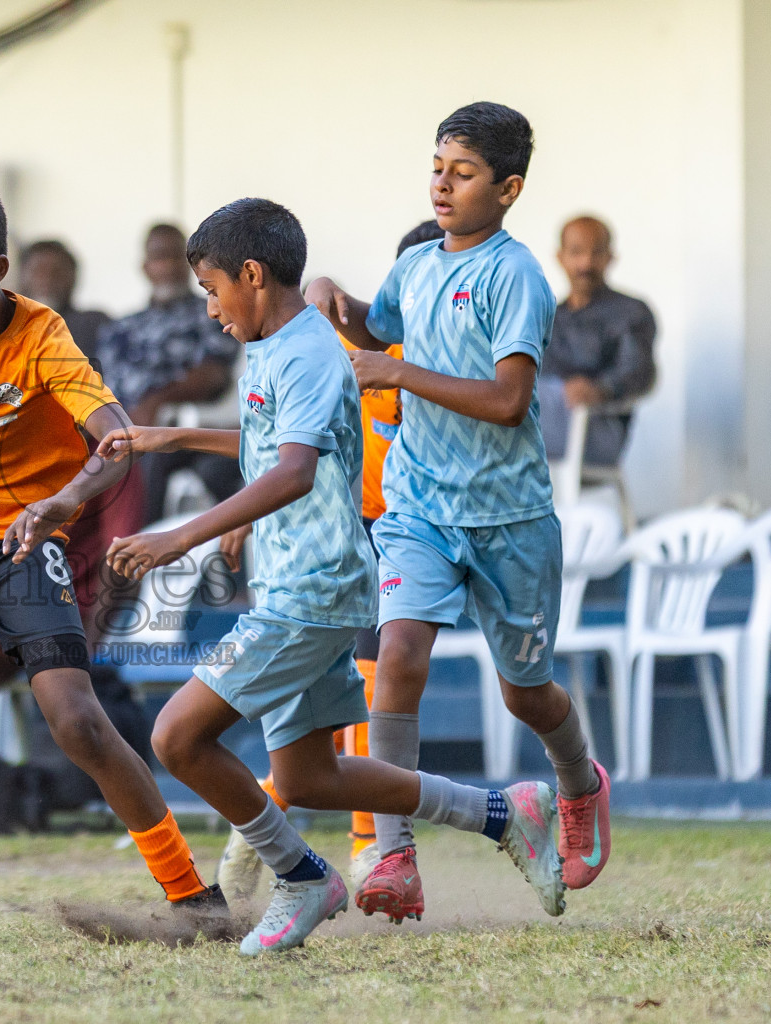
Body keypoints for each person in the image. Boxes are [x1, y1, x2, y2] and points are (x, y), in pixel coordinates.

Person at [100, 198, 566, 954]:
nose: (212, 310)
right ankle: (505, 813)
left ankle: (301, 875)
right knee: (312, 776)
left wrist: (179, 536)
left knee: (178, 737)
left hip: (310, 594)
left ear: (252, 275)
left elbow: (290, 473)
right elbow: (268, 443)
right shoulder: (277, 344)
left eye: (213, 290)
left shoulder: (309, 351)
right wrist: (172, 436)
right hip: (297, 586)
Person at [0, 180, 230, 938]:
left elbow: (117, 442)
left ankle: (190, 892)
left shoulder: (43, 339)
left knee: (76, 718)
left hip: (22, 536)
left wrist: (61, 503)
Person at [304, 102, 611, 920]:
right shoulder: (416, 265)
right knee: (398, 652)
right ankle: (393, 852)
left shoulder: (517, 278)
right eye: (437, 166)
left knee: (526, 691)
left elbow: (510, 401)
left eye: (463, 171)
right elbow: (381, 324)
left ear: (508, 190)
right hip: (417, 507)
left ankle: (579, 784)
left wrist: (396, 375)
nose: (442, 183)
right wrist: (339, 302)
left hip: (509, 518)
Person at [217, 218, 446, 900]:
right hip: (357, 530)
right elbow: (285, 428)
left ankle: (362, 843)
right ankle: (270, 820)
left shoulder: (461, 360)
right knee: (339, 695)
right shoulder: (354, 340)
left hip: (426, 532)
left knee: (375, 687)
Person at [97, 224, 242, 524]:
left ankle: (140, 548)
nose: (169, 266)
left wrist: (156, 403)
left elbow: (215, 375)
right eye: (159, 257)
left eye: (177, 257)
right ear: (145, 267)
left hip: (180, 424)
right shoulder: (120, 327)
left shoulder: (210, 312)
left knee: (150, 445)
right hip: (115, 424)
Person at [542, 215, 657, 466]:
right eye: (576, 252)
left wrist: (598, 389)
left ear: (610, 257)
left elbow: (640, 372)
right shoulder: (549, 318)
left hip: (598, 429)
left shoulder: (631, 312)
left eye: (596, 252)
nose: (586, 262)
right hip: (547, 422)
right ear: (560, 257)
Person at [18, 240, 111, 363]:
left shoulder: (94, 324)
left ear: (73, 277)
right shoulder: (0, 328)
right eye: (39, 271)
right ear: (22, 276)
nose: (47, 278)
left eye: (57, 271)